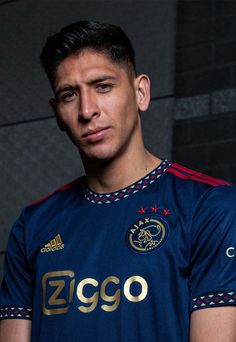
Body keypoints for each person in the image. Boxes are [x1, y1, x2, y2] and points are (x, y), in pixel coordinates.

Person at [0, 20, 236, 342]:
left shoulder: (210, 207)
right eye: (70, 95)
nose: (87, 110)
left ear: (141, 92)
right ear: (57, 113)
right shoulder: (33, 225)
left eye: (103, 86)